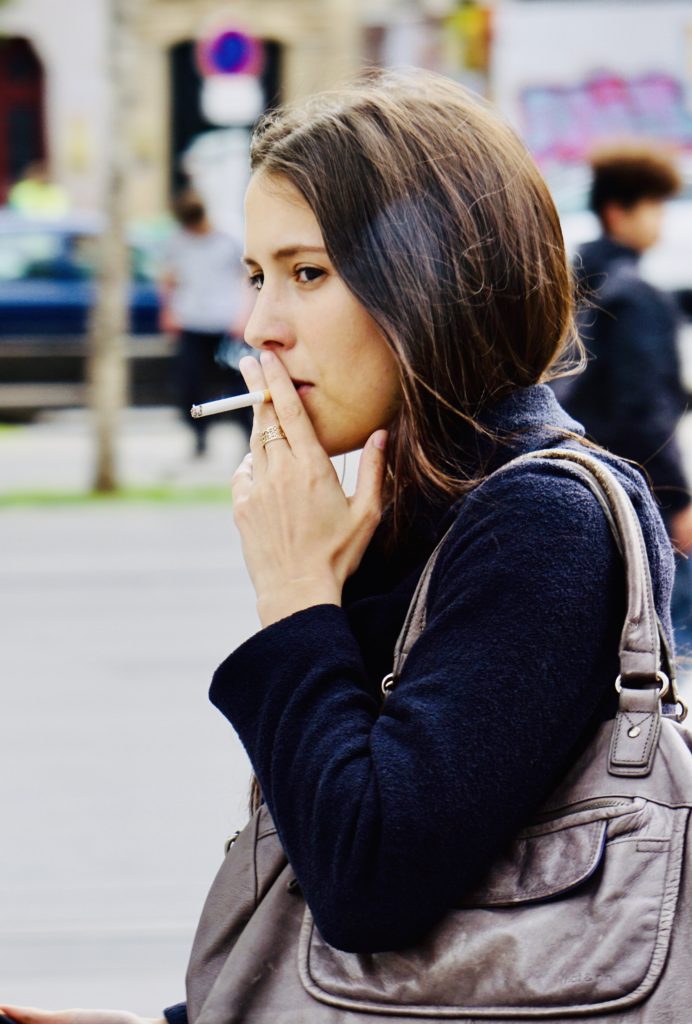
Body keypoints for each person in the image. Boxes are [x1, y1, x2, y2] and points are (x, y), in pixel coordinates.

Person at [1, 71, 675, 1024]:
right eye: (254, 276)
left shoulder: (539, 518)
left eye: (307, 273)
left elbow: (370, 881)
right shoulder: (413, 499)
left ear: (435, 283)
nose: (258, 329)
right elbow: (416, 931)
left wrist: (295, 593)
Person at [555, 146, 692, 646]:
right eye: (653, 207)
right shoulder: (634, 296)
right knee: (671, 645)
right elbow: (645, 410)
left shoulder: (572, 286)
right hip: (643, 497)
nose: (661, 222)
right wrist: (679, 502)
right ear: (619, 211)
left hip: (582, 484)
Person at [160, 190, 251, 456]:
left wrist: (244, 314)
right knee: (190, 383)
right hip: (192, 320)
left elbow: (247, 277)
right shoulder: (177, 242)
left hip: (227, 322)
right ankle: (199, 435)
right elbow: (168, 278)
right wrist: (168, 312)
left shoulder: (229, 237)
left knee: (238, 384)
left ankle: (247, 436)